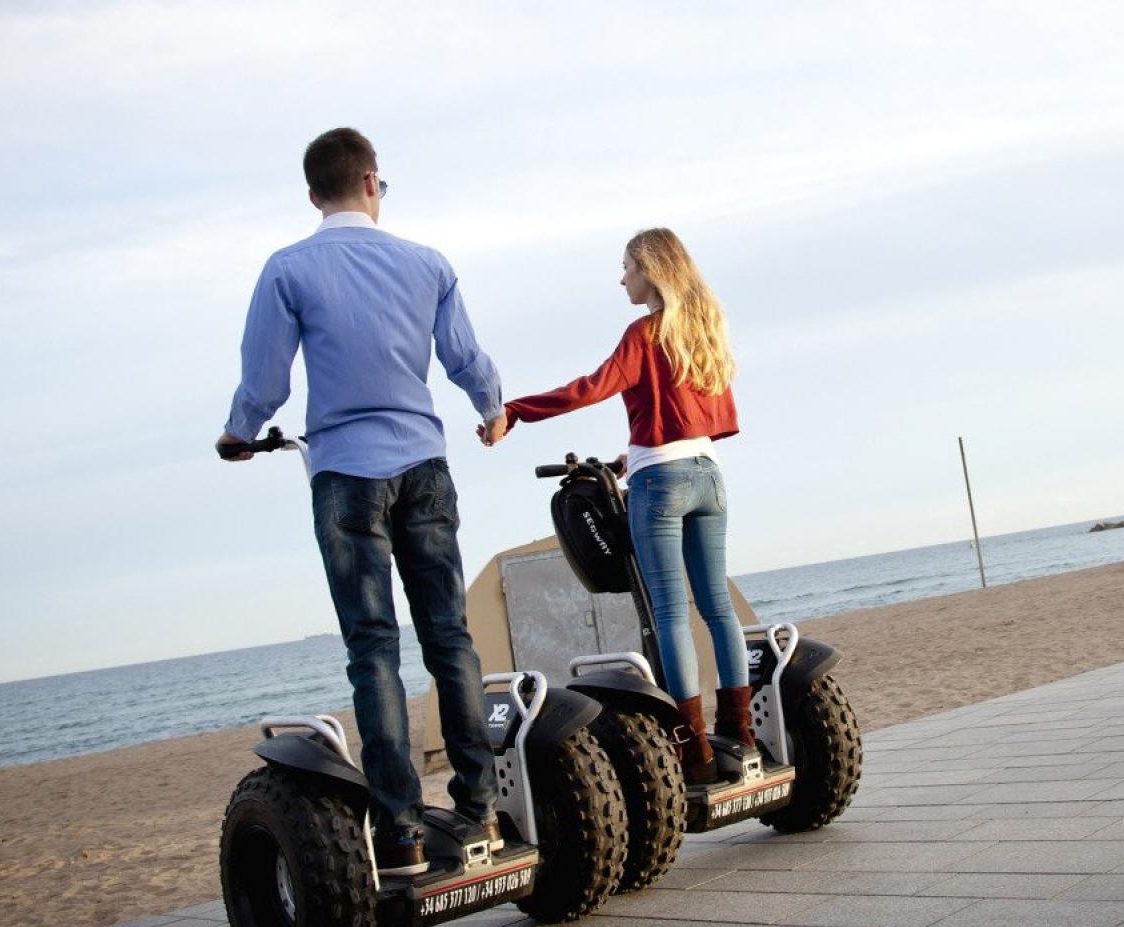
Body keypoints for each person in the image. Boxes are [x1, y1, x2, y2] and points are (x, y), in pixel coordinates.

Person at [217, 127, 510, 876]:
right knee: (450, 638)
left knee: (373, 649)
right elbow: (466, 359)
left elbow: (266, 379)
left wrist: (238, 432)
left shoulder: (288, 268)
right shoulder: (427, 263)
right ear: (374, 183)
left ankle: (403, 832)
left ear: (314, 195)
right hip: (425, 465)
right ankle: (478, 810)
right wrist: (491, 407)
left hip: (346, 473)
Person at [495, 228, 745, 783]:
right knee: (719, 609)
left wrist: (517, 410)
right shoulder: (704, 328)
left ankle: (694, 750)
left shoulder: (644, 333)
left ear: (651, 270)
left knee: (670, 615)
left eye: (628, 267)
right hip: (709, 477)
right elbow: (698, 422)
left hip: (662, 486)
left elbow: (591, 387)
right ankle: (742, 733)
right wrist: (628, 456)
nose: (622, 278)